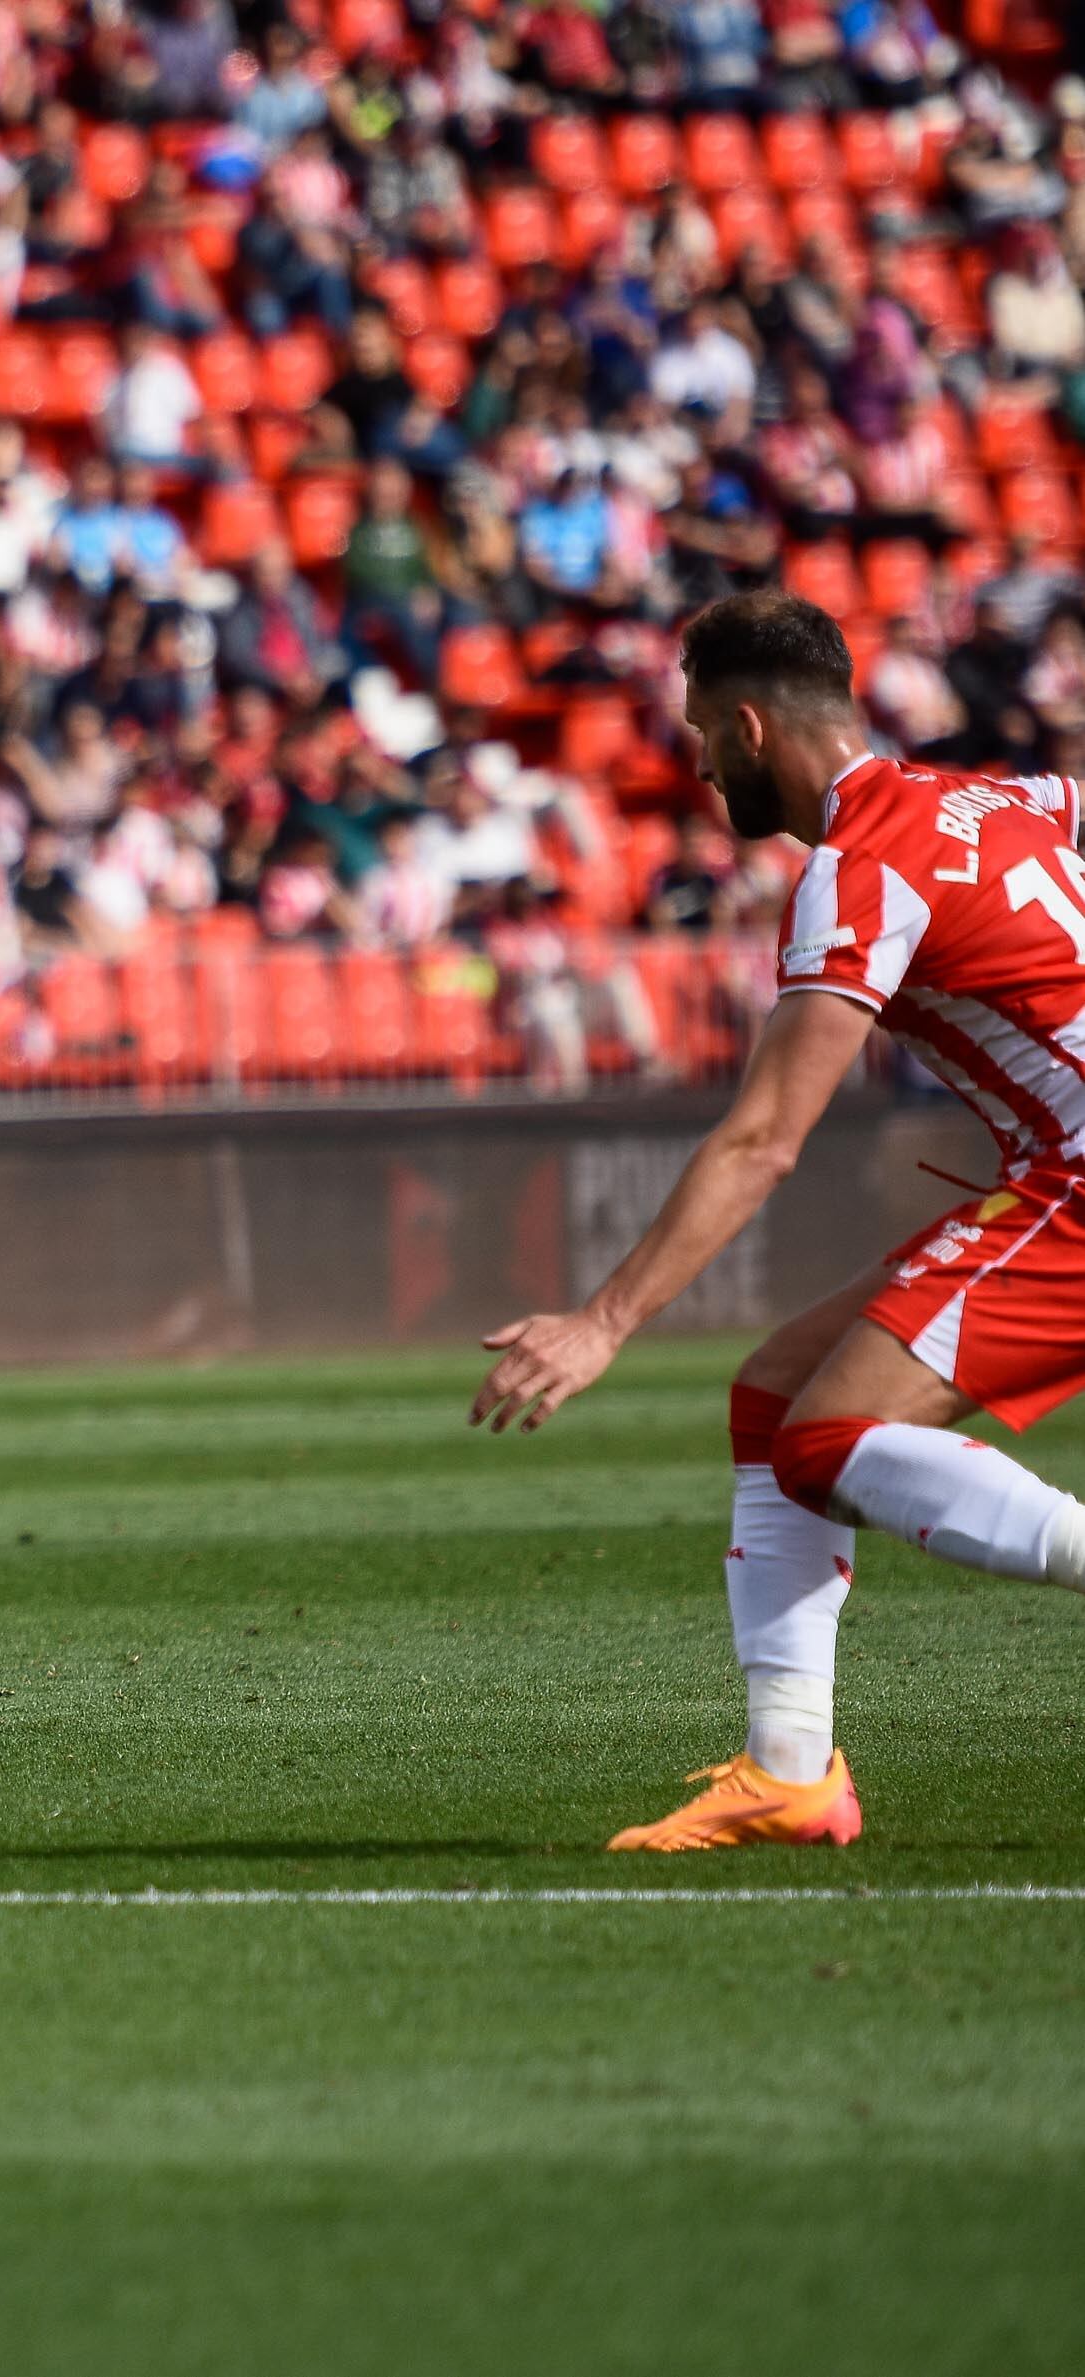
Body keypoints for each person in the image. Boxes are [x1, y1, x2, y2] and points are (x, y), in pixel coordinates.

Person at [472, 589, 1085, 1853]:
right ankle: (789, 1771)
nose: (694, 762)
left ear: (750, 728)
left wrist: (601, 1322)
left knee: (827, 1440)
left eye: (700, 734)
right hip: (1052, 1174)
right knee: (775, 1397)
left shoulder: (856, 872)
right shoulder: (1003, 798)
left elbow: (762, 1141)